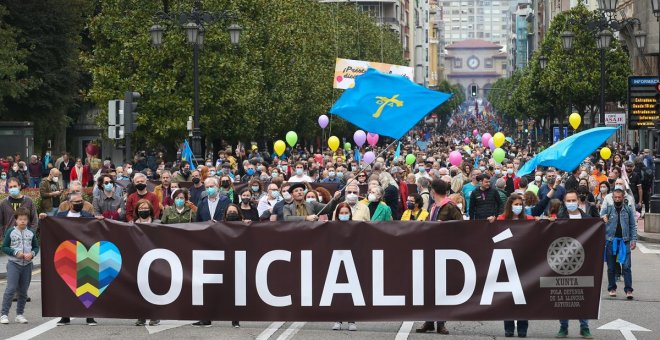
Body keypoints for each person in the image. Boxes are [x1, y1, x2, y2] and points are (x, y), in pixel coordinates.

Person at [417, 179, 462, 335]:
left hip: (446, 250)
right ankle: (429, 321)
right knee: (430, 287)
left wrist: (444, 226)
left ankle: (441, 322)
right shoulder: (434, 206)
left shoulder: (450, 206)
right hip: (432, 249)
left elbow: (461, 227)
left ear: (433, 191)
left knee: (442, 288)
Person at [55, 192, 97, 326]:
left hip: (85, 254)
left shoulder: (88, 216)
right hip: (66, 255)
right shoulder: (60, 216)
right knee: (66, 287)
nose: (80, 204)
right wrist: (44, 218)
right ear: (69, 204)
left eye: (81, 201)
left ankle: (90, 317)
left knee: (88, 285)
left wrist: (99, 220)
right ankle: (65, 316)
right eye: (76, 202)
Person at [555, 190, 592, 339]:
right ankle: (563, 327)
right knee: (564, 296)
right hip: (564, 264)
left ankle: (585, 327)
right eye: (568, 201)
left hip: (583, 263)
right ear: (564, 202)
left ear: (578, 201)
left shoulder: (588, 219)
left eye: (573, 200)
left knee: (583, 295)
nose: (571, 203)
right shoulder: (560, 218)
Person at [494, 194, 532, 338]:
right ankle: (508, 328)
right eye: (516, 204)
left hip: (524, 264)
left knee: (524, 298)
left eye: (520, 204)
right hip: (507, 263)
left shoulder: (528, 220)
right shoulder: (502, 219)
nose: (518, 207)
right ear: (510, 205)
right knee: (507, 298)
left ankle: (523, 328)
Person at [1, 207, 39, 324]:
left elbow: (36, 247)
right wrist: (16, 253)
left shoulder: (31, 233)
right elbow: (4, 247)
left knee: (23, 291)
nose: (23, 221)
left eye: (25, 219)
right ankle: (4, 314)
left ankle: (19, 314)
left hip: (27, 265)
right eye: (20, 219)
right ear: (16, 220)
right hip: (14, 264)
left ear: (28, 221)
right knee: (11, 288)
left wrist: (32, 254)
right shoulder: (10, 232)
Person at [601, 189, 636, 300]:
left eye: (619, 197)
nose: (617, 199)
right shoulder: (608, 209)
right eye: (615, 197)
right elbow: (600, 221)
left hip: (624, 241)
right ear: (612, 198)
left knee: (626, 267)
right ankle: (612, 288)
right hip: (611, 241)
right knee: (611, 267)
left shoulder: (628, 209)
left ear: (623, 198)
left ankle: (629, 290)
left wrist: (633, 240)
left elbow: (632, 225)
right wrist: (603, 218)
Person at [133, 199, 160, 327]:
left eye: (145, 208)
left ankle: (155, 315)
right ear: (137, 210)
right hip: (137, 261)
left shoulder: (158, 224)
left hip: (154, 260)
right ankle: (141, 316)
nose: (143, 210)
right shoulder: (131, 225)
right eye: (140, 208)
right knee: (139, 289)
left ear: (150, 209)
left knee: (154, 288)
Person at [330, 202, 357, 332]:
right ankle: (338, 319)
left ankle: (352, 320)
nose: (344, 215)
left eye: (347, 213)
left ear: (350, 214)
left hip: (352, 262)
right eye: (342, 213)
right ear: (337, 214)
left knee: (352, 294)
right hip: (336, 263)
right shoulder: (331, 227)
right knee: (337, 293)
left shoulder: (357, 227)